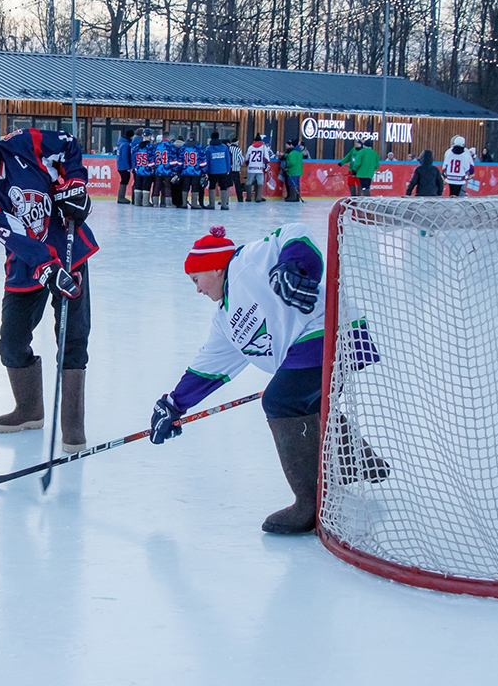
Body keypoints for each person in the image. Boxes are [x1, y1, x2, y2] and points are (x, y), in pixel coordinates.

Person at [148, 224, 389, 534]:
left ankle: (310, 504)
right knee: (305, 402)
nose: (198, 289)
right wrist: (173, 404)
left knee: (281, 400)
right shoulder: (224, 321)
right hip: (316, 349)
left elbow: (296, 233)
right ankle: (359, 461)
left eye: (197, 279)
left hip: (333, 331)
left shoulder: (248, 261)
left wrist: (292, 265)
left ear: (215, 268)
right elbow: (207, 368)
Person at [0, 106, 98, 453]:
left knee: (73, 339)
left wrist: (74, 185)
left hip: (69, 248)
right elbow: (15, 237)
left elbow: (68, 146)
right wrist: (46, 268)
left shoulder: (23, 143)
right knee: (11, 342)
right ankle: (29, 410)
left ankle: (73, 428)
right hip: (27, 265)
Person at [177, 130, 206, 209]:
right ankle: (194, 203)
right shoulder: (199, 147)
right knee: (195, 187)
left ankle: (184, 203)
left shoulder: (183, 147)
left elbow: (179, 161)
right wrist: (204, 171)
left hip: (185, 171)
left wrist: (179, 170)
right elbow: (202, 161)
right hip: (196, 171)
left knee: (185, 187)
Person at [153, 132, 181, 208]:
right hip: (167, 170)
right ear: (168, 137)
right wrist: (175, 170)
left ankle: (155, 203)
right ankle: (168, 203)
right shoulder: (171, 146)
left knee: (157, 186)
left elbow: (153, 158)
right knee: (167, 186)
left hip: (158, 169)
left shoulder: (157, 146)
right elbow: (173, 160)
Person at [205, 132, 231, 210]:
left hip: (212, 171)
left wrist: (206, 171)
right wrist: (228, 169)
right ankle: (224, 204)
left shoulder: (209, 148)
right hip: (223, 170)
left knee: (212, 187)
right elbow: (228, 158)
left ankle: (211, 204)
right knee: (223, 187)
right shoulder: (224, 147)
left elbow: (207, 161)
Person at [132, 128, 156, 207]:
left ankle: (137, 202)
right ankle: (145, 202)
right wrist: (153, 168)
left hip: (138, 169)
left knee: (138, 185)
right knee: (146, 186)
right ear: (150, 136)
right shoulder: (150, 147)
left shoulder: (137, 146)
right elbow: (151, 159)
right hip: (147, 170)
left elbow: (134, 156)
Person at [244, 134, 272, 202]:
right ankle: (258, 198)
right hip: (260, 169)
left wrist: (248, 165)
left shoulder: (250, 147)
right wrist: (266, 168)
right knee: (260, 183)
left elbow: (247, 158)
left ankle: (248, 198)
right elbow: (267, 159)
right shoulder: (263, 147)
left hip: (251, 168)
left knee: (249, 183)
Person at [227, 138, 245, 202]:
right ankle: (240, 199)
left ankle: (226, 199)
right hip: (236, 170)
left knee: (227, 185)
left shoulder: (228, 149)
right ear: (237, 143)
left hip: (228, 170)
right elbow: (242, 161)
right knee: (238, 186)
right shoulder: (238, 150)